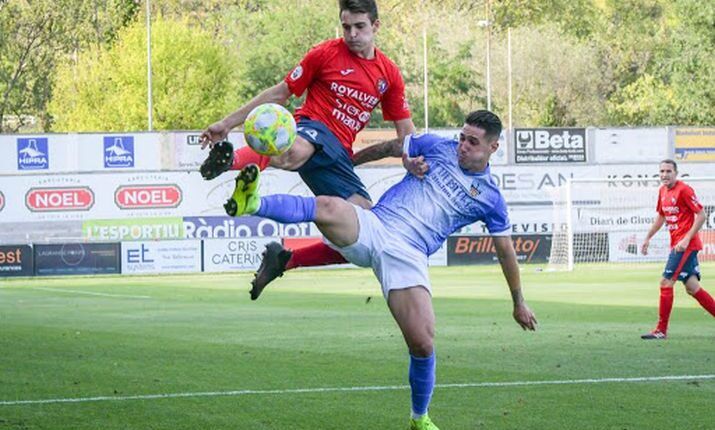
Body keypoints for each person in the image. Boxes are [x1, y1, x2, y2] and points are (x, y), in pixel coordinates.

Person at [224, 110, 538, 430]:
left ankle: (420, 418)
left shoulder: (490, 199)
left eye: (473, 142)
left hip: (409, 256)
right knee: (329, 206)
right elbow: (391, 146)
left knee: (423, 342)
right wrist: (361, 163)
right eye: (462, 137)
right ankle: (252, 203)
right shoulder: (436, 146)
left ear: (493, 147)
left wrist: (518, 301)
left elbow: (505, 251)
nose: (463, 146)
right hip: (376, 225)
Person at [199, 0, 418, 299]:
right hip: (313, 127)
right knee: (294, 152)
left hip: (338, 154)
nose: (352, 34)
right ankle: (230, 161)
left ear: (375, 26)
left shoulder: (388, 74)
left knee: (367, 238)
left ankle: (286, 259)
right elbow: (280, 92)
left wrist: (417, 163)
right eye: (346, 27)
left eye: (359, 27)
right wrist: (227, 124)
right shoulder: (325, 53)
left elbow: (407, 135)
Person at [640, 159, 715, 339]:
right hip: (678, 245)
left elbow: (701, 214)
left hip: (685, 246)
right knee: (692, 288)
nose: (664, 175)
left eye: (668, 171)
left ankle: (660, 330)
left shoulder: (684, 190)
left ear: (676, 173)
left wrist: (687, 238)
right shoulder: (662, 191)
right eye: (662, 172)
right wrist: (648, 237)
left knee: (665, 283)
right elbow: (661, 217)